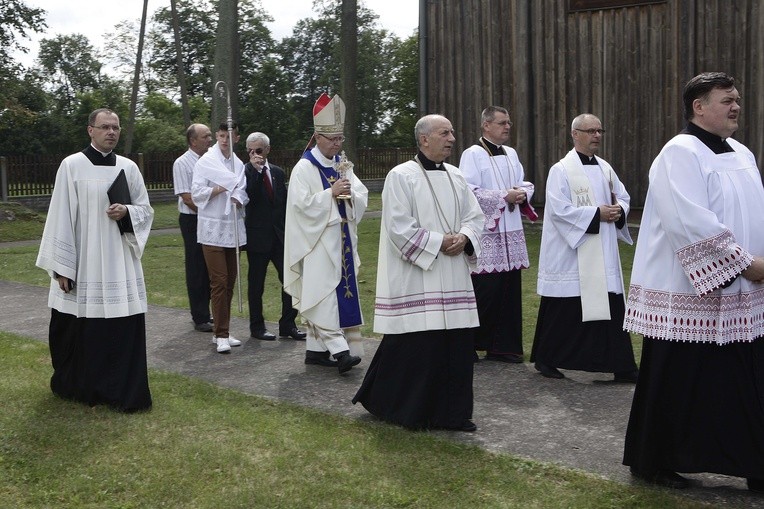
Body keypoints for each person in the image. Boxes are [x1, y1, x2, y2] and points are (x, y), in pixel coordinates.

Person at [622, 72, 764, 492]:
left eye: (737, 98)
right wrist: (744, 264)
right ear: (698, 107)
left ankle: (751, 462)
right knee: (676, 380)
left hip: (744, 294)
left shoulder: (741, 152)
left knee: (743, 380)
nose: (735, 105)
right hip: (688, 291)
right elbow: (689, 221)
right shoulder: (679, 152)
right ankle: (655, 460)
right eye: (726, 100)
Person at [352, 114, 485, 431]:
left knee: (454, 346)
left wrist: (465, 238)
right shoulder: (401, 176)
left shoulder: (456, 176)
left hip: (452, 274)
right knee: (420, 346)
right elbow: (398, 227)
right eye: (444, 132)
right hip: (419, 277)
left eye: (452, 131)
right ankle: (409, 410)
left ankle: (453, 414)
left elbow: (475, 215)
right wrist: (440, 242)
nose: (452, 137)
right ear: (424, 139)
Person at [35, 108, 154, 412]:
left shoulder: (128, 167)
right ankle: (84, 386)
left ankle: (119, 388)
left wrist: (127, 212)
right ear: (90, 130)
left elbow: (145, 209)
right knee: (81, 326)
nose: (111, 132)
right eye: (105, 127)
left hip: (119, 260)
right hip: (85, 261)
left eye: (115, 127)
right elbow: (60, 215)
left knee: (120, 326)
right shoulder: (72, 166)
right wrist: (62, 267)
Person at [530, 113, 638, 382]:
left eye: (599, 131)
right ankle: (547, 359)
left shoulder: (605, 167)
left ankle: (621, 366)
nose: (597, 136)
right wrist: (595, 214)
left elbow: (623, 197)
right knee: (564, 309)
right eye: (590, 131)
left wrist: (618, 211)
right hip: (572, 252)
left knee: (611, 306)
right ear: (575, 134)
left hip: (602, 249)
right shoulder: (561, 170)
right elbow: (558, 210)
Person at [283, 93, 368, 374]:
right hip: (317, 241)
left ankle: (317, 351)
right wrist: (329, 195)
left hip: (342, 239)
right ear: (317, 137)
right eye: (333, 139)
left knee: (338, 293)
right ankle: (340, 351)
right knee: (323, 295)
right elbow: (299, 207)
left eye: (341, 139)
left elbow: (360, 193)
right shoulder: (304, 168)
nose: (338, 144)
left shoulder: (341, 163)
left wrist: (350, 194)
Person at [459, 106, 536, 364]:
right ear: (486, 126)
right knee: (485, 292)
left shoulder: (511, 153)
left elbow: (523, 181)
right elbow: (467, 191)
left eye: (509, 123)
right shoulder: (473, 154)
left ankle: (503, 346)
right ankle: (468, 344)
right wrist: (504, 196)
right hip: (487, 235)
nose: (507, 127)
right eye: (502, 123)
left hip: (510, 232)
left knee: (508, 292)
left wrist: (522, 192)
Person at [243, 132, 306, 341]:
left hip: (279, 237)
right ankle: (257, 327)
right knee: (256, 284)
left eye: (258, 151)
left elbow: (285, 202)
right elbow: (249, 195)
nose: (255, 155)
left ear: (268, 150)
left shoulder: (278, 173)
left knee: (290, 280)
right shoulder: (245, 172)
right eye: (250, 151)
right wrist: (257, 171)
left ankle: (288, 324)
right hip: (257, 239)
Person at [192, 122, 248, 354]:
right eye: (221, 135)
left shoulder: (238, 164)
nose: (224, 140)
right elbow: (197, 193)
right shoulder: (206, 162)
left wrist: (236, 195)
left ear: (236, 138)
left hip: (232, 227)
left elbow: (242, 190)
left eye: (229, 136)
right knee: (219, 281)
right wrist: (221, 188)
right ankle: (221, 333)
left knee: (230, 281)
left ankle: (222, 330)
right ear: (217, 136)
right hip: (211, 228)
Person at [173, 123, 214, 333]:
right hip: (193, 220)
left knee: (211, 266)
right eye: (205, 136)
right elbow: (187, 197)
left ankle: (208, 312)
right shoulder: (182, 163)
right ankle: (199, 316)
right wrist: (210, 211)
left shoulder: (211, 161)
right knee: (197, 267)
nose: (210, 139)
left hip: (209, 219)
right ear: (193, 141)